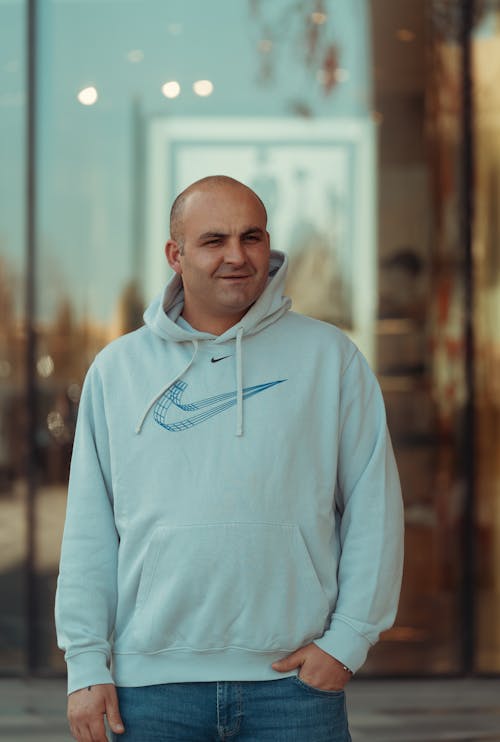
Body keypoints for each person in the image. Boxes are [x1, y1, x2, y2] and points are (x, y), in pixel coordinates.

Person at [55, 175, 404, 742]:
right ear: (176, 254)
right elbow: (89, 531)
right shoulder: (117, 371)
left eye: (252, 237)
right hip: (149, 691)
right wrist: (86, 663)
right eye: (213, 240)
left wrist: (348, 641)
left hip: (293, 687)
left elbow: (375, 509)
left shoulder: (329, 358)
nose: (237, 257)